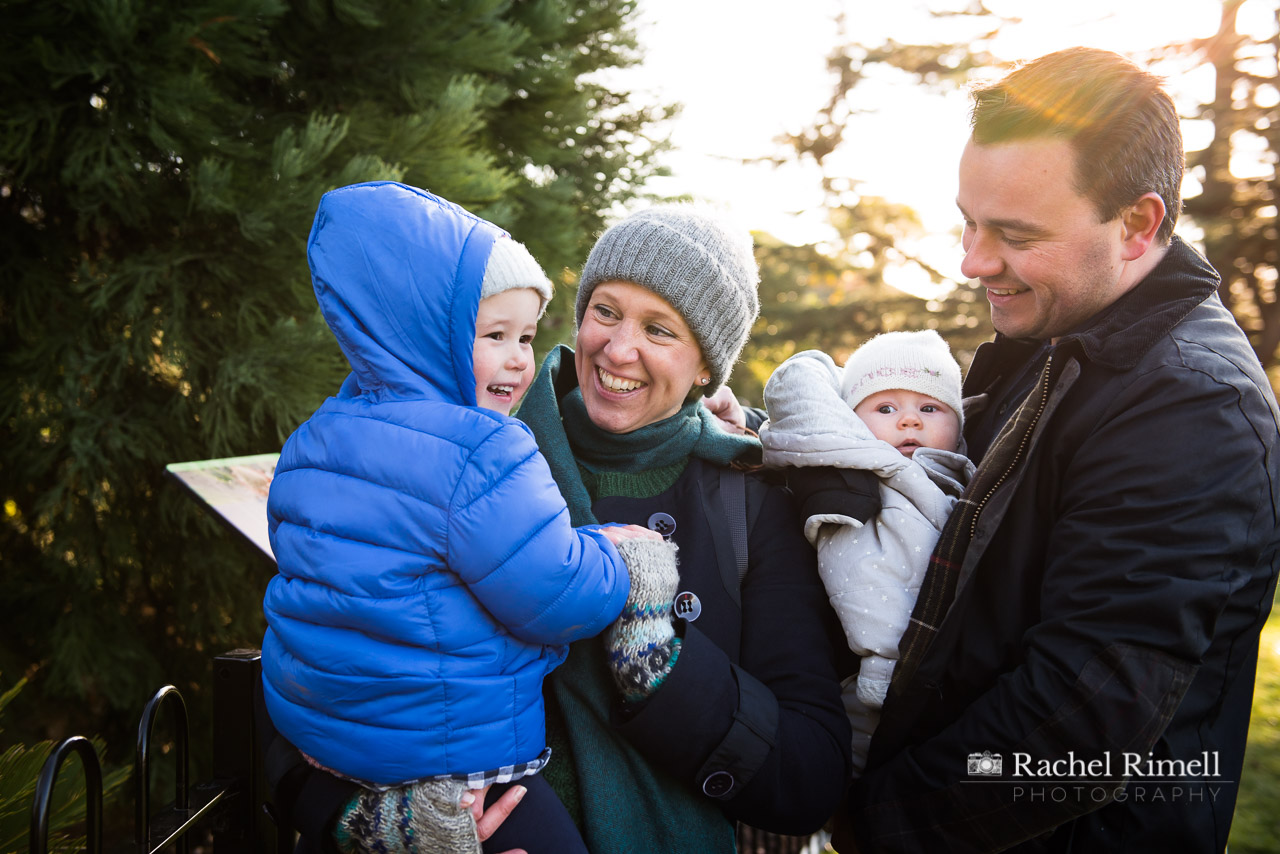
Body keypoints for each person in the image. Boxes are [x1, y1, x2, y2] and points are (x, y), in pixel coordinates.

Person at [261, 201, 852, 854]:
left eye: (659, 330)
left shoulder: (748, 499)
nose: (618, 348)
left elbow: (811, 777)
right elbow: (311, 665)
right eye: (605, 310)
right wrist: (372, 826)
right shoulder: (441, 444)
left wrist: (658, 665)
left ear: (708, 364)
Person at [831, 47, 1280, 852]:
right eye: (969, 220)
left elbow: (1081, 719)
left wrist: (868, 820)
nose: (973, 260)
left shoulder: (1192, 404)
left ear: (1139, 224)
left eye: (1014, 234)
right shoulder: (1057, 336)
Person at [261, 181, 659, 854]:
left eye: (527, 337)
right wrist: (617, 557)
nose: (517, 359)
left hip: (331, 752)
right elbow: (554, 597)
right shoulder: (481, 451)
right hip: (452, 766)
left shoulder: (313, 440)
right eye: (494, 335)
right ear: (424, 338)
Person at [757, 330, 973, 777]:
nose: (909, 422)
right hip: (877, 683)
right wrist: (882, 679)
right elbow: (863, 578)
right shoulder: (865, 478)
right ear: (854, 419)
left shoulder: (959, 477)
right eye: (886, 408)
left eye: (929, 408)